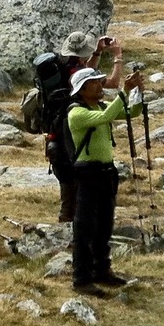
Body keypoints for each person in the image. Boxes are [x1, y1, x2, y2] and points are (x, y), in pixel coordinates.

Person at [66, 64, 143, 297]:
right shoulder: (77, 113)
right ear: (82, 89)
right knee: (85, 226)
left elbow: (132, 113)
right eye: (94, 83)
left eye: (100, 81)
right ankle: (81, 278)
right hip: (88, 173)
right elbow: (107, 117)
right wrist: (124, 91)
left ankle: (101, 270)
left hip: (106, 172)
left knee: (104, 224)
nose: (100, 86)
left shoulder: (99, 106)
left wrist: (137, 92)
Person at [49, 32, 126, 222]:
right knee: (75, 184)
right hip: (72, 131)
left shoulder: (64, 67)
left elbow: (86, 75)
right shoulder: (77, 72)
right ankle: (73, 227)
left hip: (58, 130)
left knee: (68, 181)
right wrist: (118, 57)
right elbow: (112, 83)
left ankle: (70, 222)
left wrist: (98, 52)